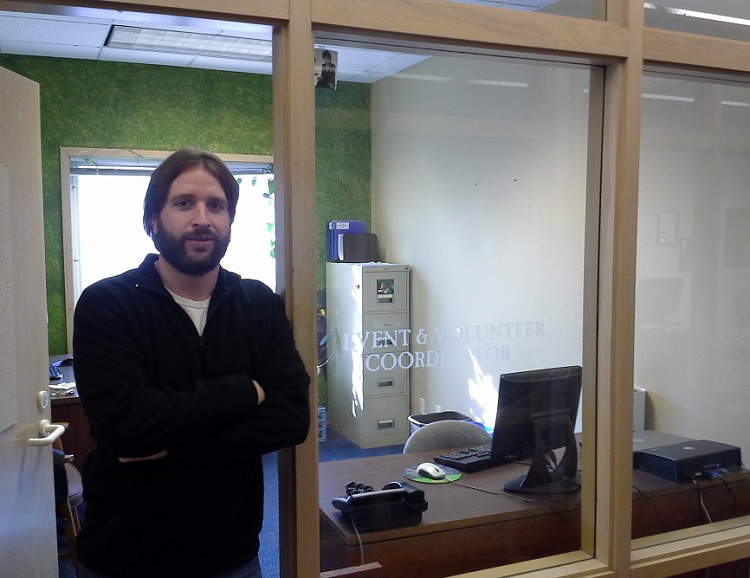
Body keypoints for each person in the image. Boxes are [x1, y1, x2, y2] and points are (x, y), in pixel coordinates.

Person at [72, 147, 311, 578]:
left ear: (230, 221)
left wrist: (165, 442)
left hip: (232, 557)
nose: (202, 219)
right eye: (184, 203)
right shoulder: (107, 304)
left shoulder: (258, 304)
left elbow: (292, 419)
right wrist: (244, 391)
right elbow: (124, 427)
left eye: (216, 206)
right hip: (125, 559)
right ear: (153, 219)